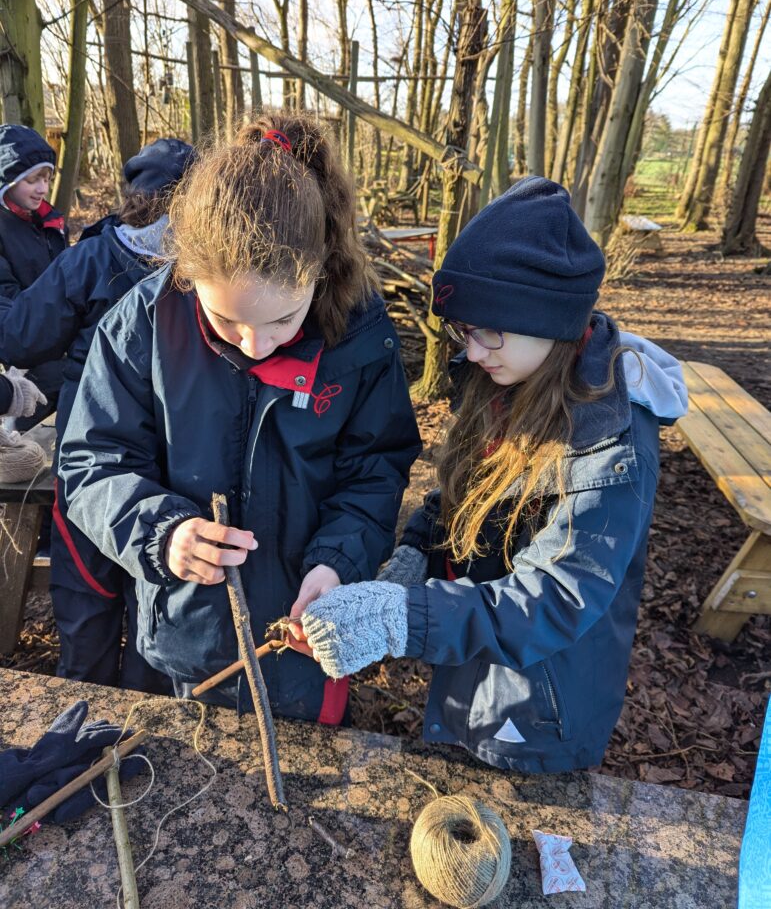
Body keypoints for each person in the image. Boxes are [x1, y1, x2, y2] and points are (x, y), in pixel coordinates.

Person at [296, 176, 688, 772]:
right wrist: (411, 560)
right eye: (462, 330)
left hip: (539, 707)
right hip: (471, 666)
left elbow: (556, 597)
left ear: (549, 319)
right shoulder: (502, 379)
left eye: (487, 331)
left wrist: (405, 616)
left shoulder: (610, 439)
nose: (472, 350)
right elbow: (459, 499)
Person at [58, 115, 422, 723]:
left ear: (320, 270)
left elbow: (375, 472)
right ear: (188, 274)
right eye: (228, 322)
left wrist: (339, 562)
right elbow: (91, 464)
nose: (256, 345)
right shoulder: (141, 325)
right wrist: (162, 533)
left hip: (304, 646)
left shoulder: (360, 334)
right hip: (177, 645)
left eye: (283, 320)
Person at [0, 138, 196, 692]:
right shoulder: (203, 272)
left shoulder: (92, 257)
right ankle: (128, 724)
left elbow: (21, 335)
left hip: (98, 451)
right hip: (159, 456)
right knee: (148, 589)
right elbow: (17, 334)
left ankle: (93, 719)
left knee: (100, 588)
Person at [0, 124, 67, 429]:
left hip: (58, 332)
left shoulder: (49, 222)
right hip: (26, 350)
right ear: (7, 181)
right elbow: (6, 298)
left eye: (47, 179)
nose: (42, 188)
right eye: (32, 180)